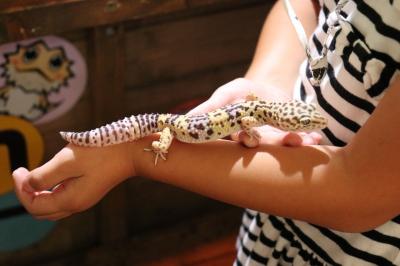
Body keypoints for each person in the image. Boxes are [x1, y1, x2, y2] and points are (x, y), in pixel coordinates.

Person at [13, 0, 400, 264]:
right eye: (303, 119)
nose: (311, 121)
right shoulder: (260, 113)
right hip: (270, 228)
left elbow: (359, 190)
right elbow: (301, 6)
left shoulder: (258, 117)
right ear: (285, 118)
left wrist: (131, 155)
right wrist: (268, 81)